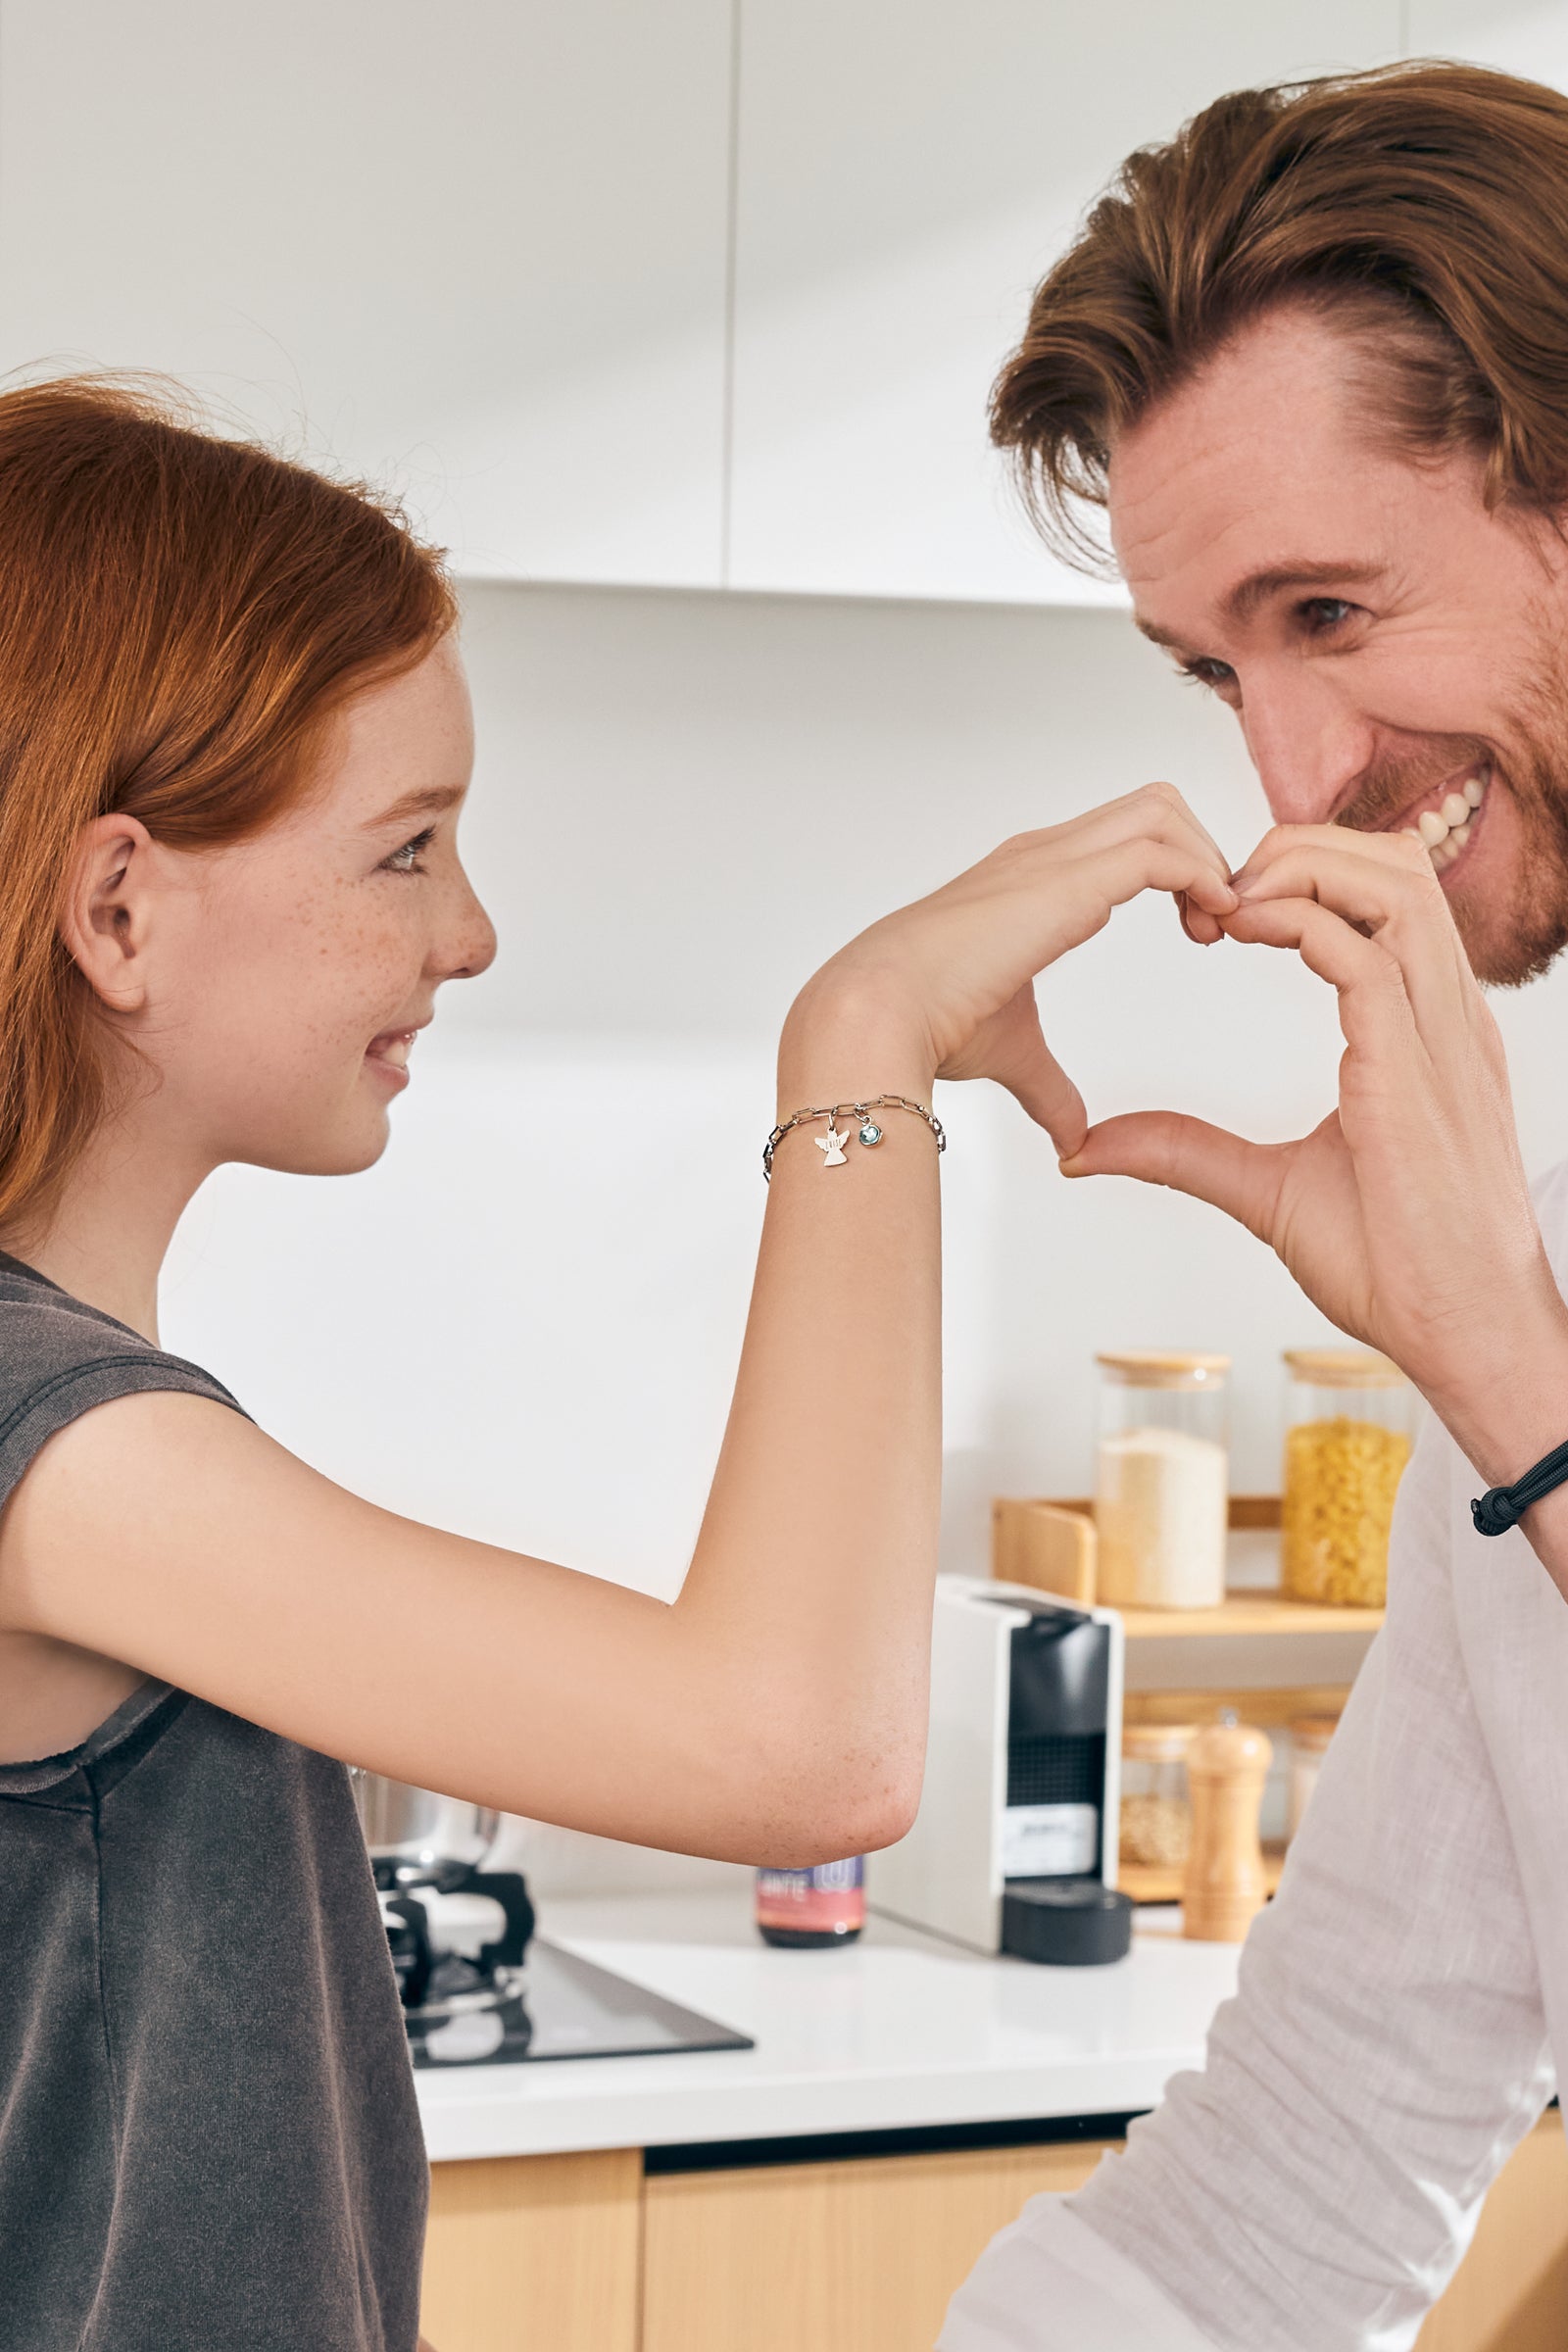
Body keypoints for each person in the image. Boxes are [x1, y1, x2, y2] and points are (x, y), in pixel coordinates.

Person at [0, 376, 1242, 2351]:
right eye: (405, 850)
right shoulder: (59, 1454)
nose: (471, 932)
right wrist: (860, 1042)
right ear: (121, 907)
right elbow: (797, 1748)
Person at [939, 57, 1568, 2352]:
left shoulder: (1518, 1334)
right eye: (1219, 666)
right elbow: (1302, 2171)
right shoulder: (1525, 1277)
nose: (1286, 777)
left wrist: (1506, 1374)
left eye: (1324, 608)